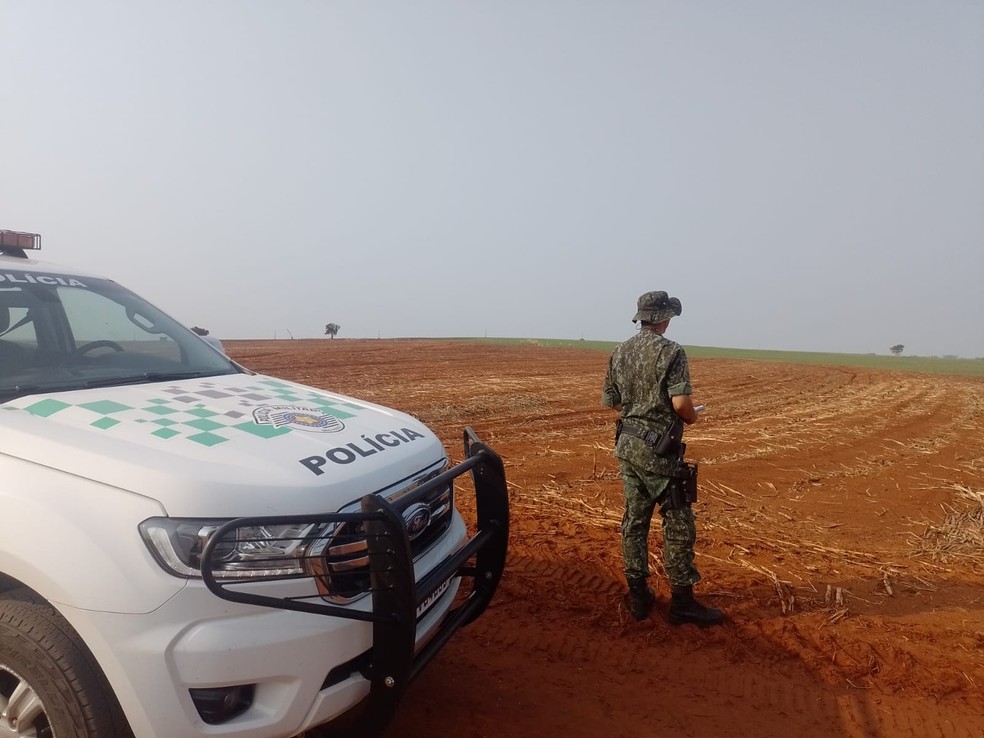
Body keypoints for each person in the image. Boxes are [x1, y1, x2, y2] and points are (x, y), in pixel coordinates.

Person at [601, 290, 724, 627]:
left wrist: (639, 413)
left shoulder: (620, 351)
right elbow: (681, 405)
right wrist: (691, 418)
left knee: (635, 521)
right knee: (679, 523)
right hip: (659, 454)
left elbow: (612, 400)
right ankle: (682, 602)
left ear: (642, 318)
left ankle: (639, 596)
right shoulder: (671, 351)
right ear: (664, 319)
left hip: (627, 447)